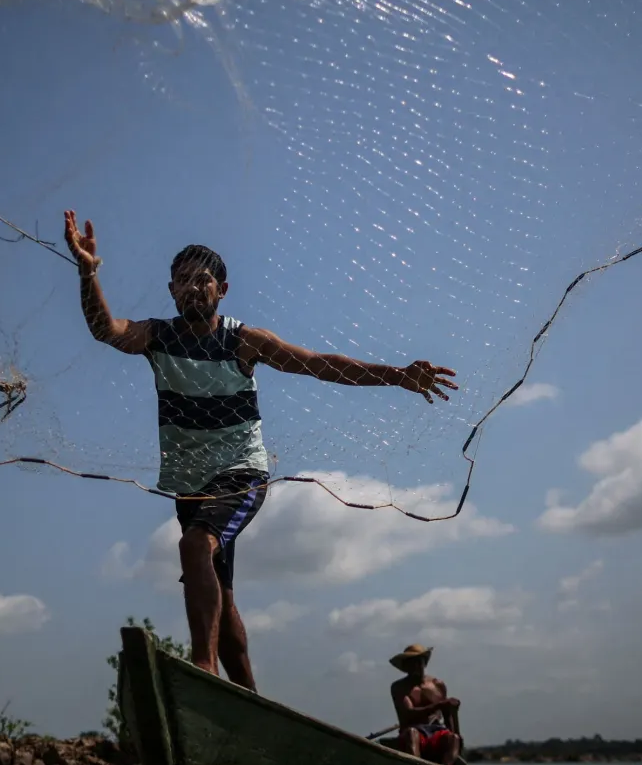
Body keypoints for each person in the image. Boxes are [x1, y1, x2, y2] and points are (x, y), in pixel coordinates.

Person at [64, 210, 459, 689]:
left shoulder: (244, 340)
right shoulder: (157, 336)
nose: (193, 288)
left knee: (195, 546)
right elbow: (107, 329)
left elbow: (318, 365)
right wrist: (88, 271)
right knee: (220, 594)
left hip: (240, 474)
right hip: (189, 484)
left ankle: (204, 671)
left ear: (222, 290)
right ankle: (248, 698)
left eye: (203, 280)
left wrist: (398, 376)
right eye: (183, 280)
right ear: (170, 290)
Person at [389, 644, 462, 765]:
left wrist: (456, 734)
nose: (415, 666)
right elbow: (408, 714)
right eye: (411, 663)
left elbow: (447, 715)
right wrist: (438, 705)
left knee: (453, 739)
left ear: (425, 663)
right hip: (413, 732)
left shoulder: (438, 685)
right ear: (405, 666)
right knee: (412, 734)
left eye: (419, 662)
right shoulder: (399, 688)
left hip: (436, 731)